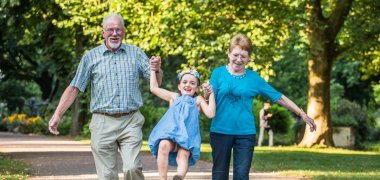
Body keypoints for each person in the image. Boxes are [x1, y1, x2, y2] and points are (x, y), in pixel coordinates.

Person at [48, 13, 163, 180]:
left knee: (132, 168)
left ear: (123, 32)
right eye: (110, 30)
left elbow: (156, 83)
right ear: (103, 33)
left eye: (118, 30)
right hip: (102, 122)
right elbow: (74, 88)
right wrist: (57, 115)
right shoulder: (90, 57)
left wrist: (157, 69)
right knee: (107, 175)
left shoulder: (136, 54)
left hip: (130, 120)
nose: (114, 33)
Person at [203, 34, 317, 180]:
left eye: (243, 56)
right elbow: (210, 100)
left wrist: (302, 114)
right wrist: (206, 94)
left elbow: (278, 97)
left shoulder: (254, 78)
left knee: (242, 175)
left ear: (249, 58)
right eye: (235, 55)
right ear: (228, 53)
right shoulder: (218, 73)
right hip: (220, 130)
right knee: (219, 174)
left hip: (245, 133)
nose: (239, 59)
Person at [148, 68, 216, 180]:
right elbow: (154, 88)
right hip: (170, 133)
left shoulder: (197, 100)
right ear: (179, 86)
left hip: (187, 136)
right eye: (184, 82)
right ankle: (162, 178)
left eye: (192, 83)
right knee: (163, 145)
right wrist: (152, 70)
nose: (188, 85)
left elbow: (211, 113)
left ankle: (178, 177)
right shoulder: (174, 97)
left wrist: (211, 94)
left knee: (183, 155)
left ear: (197, 88)